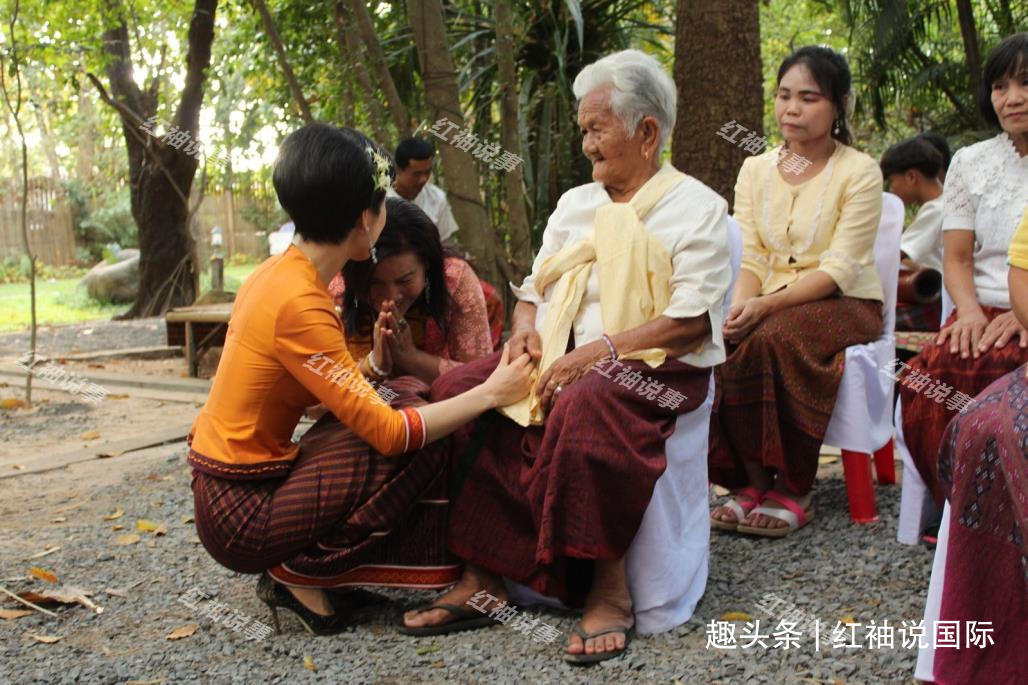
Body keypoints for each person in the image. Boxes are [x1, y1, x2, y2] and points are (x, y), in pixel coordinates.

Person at [401, 49, 732, 663]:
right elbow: (535, 290)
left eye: (596, 129)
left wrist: (602, 352)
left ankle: (607, 587)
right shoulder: (576, 205)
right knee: (458, 394)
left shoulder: (698, 209)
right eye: (583, 130)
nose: (586, 145)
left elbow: (690, 322)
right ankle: (484, 575)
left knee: (587, 400)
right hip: (560, 356)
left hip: (654, 368)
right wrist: (524, 331)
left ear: (647, 132)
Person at [186, 123, 532, 636]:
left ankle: (309, 569)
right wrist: (489, 393)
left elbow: (310, 404)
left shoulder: (276, 274)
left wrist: (374, 365)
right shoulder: (303, 302)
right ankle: (299, 569)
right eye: (383, 201)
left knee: (408, 395)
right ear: (364, 220)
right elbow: (388, 434)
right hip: (242, 515)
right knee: (419, 435)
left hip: (234, 488)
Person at [708, 46, 885, 537]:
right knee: (722, 339)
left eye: (808, 98)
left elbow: (841, 267)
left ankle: (795, 482)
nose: (791, 109)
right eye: (784, 95)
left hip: (847, 301)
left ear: (838, 105)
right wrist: (743, 304)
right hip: (768, 299)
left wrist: (766, 306)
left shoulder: (859, 171)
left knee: (773, 337)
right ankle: (749, 479)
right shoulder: (755, 170)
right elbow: (750, 255)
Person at [898, 32, 1028, 509]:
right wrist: (968, 313)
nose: (1011, 98)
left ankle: (1010, 516)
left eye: (1026, 83)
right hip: (981, 306)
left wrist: (1024, 311)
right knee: (932, 376)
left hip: (1027, 311)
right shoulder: (970, 164)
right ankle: (968, 509)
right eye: (1000, 86)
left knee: (1004, 370)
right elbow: (956, 258)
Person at [916, 206, 1028, 685]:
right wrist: (972, 313)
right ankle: (989, 656)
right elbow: (1020, 273)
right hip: (996, 311)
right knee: (982, 424)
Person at [328, 196, 494, 385]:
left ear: (427, 265)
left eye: (405, 280)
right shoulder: (336, 290)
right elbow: (319, 391)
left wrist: (411, 358)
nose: (389, 297)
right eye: (375, 283)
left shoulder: (455, 281)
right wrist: (373, 365)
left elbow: (481, 378)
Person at [881, 136, 946, 331]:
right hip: (935, 292)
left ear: (911, 177)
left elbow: (895, 254)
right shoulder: (944, 203)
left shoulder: (937, 209)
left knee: (871, 322)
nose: (892, 189)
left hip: (936, 297)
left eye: (892, 181)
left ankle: (897, 363)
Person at [389, 137, 460, 244]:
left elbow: (445, 242)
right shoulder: (381, 199)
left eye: (427, 172)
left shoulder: (437, 198)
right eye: (416, 174)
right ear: (399, 170)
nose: (423, 179)